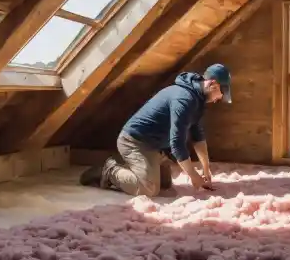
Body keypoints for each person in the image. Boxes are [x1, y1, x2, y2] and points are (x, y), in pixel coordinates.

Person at [80, 63, 232, 197]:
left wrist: (205, 169)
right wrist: (193, 175)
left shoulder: (198, 99)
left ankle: (136, 168)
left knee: (165, 184)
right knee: (149, 189)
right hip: (134, 141)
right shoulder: (184, 99)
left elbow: (197, 135)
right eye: (221, 94)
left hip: (152, 145)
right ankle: (109, 171)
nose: (219, 99)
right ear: (213, 84)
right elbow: (177, 143)